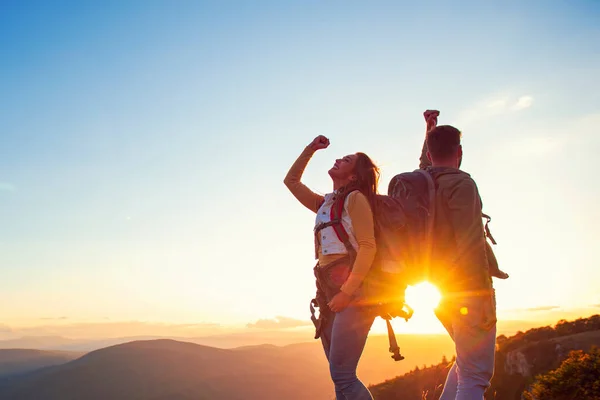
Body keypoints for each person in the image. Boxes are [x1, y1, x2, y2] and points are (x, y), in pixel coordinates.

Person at [284, 135, 379, 400]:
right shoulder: (325, 203)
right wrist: (310, 149)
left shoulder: (355, 199)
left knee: (343, 375)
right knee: (339, 376)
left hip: (354, 293)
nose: (338, 159)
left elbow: (368, 246)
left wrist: (347, 292)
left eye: (346, 160)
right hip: (327, 290)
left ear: (353, 176)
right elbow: (291, 182)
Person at [418, 111, 497, 400]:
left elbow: (424, 164)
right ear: (460, 152)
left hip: (435, 287)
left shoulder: (421, 183)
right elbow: (470, 243)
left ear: (429, 151)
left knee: (465, 363)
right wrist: (481, 297)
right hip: (466, 289)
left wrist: (429, 130)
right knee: (476, 375)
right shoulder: (461, 184)